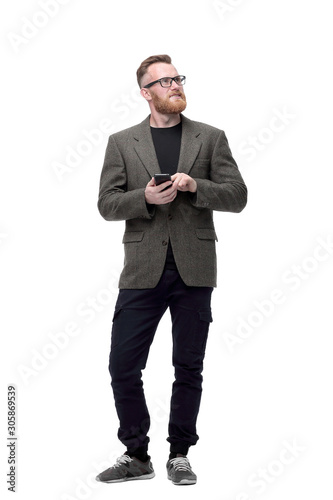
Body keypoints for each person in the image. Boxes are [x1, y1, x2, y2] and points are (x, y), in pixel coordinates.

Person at [95, 54, 247, 486]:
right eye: (164, 82)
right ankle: (136, 453)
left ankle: (179, 453)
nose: (174, 85)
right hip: (142, 269)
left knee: (188, 365)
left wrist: (195, 185)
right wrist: (143, 198)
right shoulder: (122, 141)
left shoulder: (211, 137)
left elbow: (237, 195)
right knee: (123, 365)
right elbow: (107, 204)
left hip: (194, 268)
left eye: (177, 78)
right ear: (145, 92)